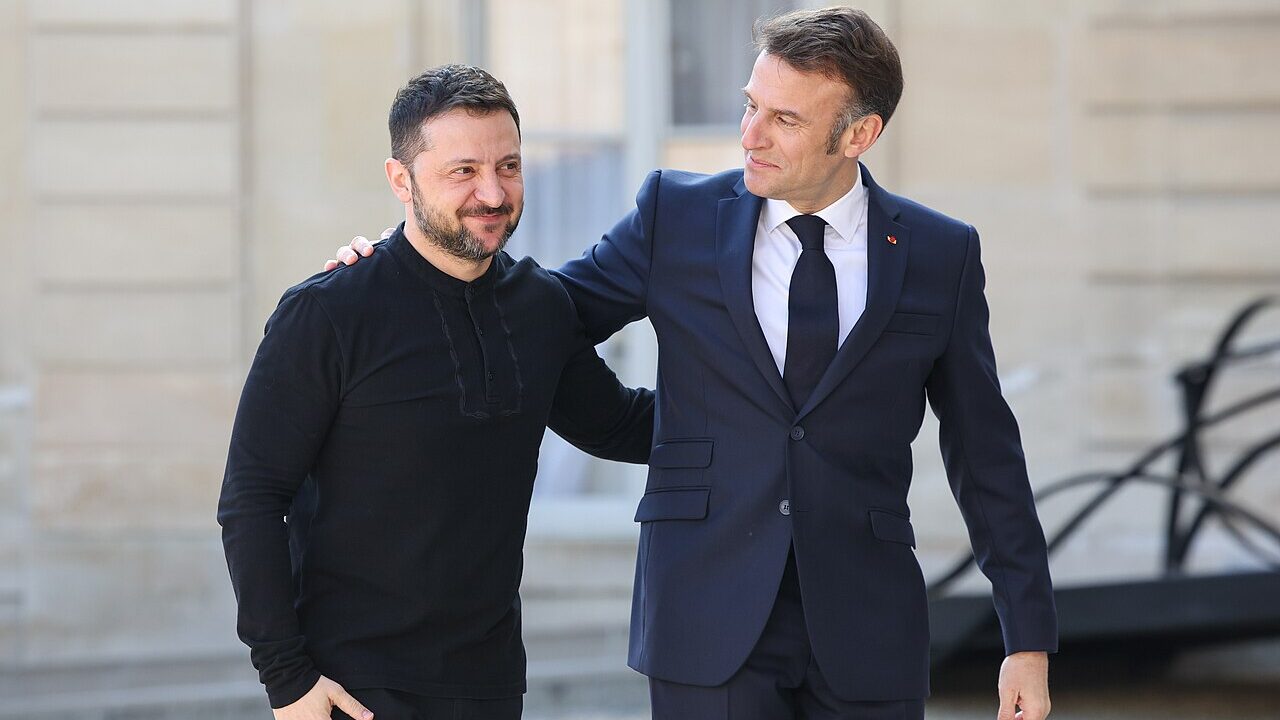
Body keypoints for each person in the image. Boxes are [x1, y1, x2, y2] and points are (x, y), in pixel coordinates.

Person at [331, 7, 1057, 720]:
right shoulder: (674, 218)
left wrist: (1027, 638)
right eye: (750, 105)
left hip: (869, 626)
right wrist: (392, 270)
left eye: (784, 119)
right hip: (705, 616)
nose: (750, 134)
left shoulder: (939, 254)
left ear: (859, 134)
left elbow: (986, 452)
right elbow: (535, 319)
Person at [218, 64, 654, 720]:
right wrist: (287, 679)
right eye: (463, 171)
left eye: (509, 166)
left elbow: (621, 424)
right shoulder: (328, 312)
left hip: (489, 686)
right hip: (352, 689)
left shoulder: (540, 306)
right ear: (402, 180)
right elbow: (252, 498)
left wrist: (769, 404)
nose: (492, 192)